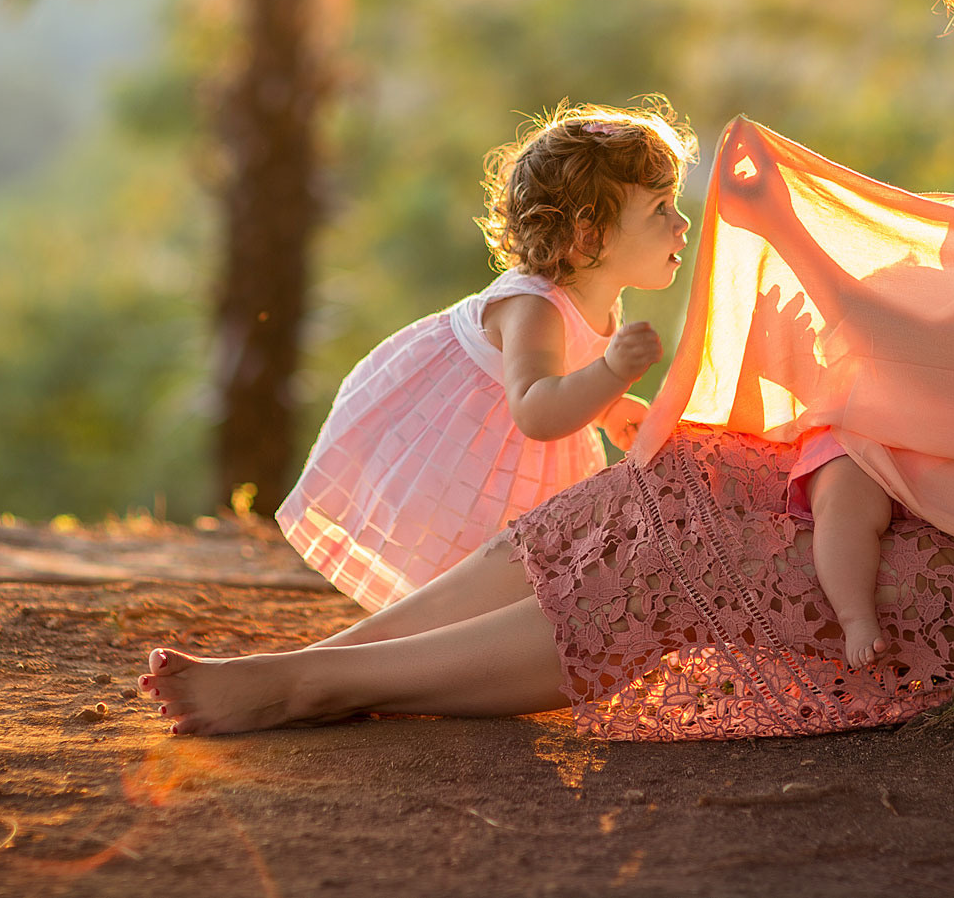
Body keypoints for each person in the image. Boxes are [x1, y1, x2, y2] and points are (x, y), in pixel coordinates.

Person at [143, 0, 954, 739]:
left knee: (692, 555)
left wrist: (790, 228)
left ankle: (318, 684)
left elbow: (949, 339)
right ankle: (330, 662)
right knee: (669, 477)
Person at [274, 100, 696, 612]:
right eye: (660, 209)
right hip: (463, 442)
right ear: (589, 235)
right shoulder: (533, 307)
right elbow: (537, 410)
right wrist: (611, 373)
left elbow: (564, 375)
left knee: (509, 566)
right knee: (456, 560)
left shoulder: (601, 296)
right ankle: (426, 636)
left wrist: (608, 408)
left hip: (520, 454)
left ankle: (464, 635)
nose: (682, 223)